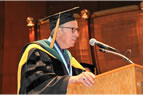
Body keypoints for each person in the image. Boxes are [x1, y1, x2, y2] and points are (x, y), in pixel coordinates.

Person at [17, 8, 95, 94]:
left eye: (77, 30)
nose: (77, 34)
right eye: (73, 29)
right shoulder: (36, 52)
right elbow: (39, 85)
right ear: (58, 31)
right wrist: (71, 80)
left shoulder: (69, 59)